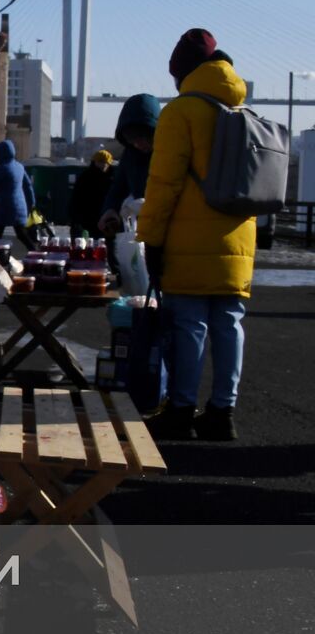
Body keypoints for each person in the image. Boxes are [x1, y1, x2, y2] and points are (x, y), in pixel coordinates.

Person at [138, 29, 254, 441]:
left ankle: (182, 408)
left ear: (183, 72)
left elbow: (164, 183)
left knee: (190, 325)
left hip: (189, 239)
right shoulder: (242, 110)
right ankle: (223, 411)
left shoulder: (181, 112)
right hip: (238, 236)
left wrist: (150, 238)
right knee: (229, 324)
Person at [99, 93, 161, 234]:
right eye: (131, 138)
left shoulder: (169, 153)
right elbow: (118, 188)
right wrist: (110, 210)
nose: (138, 144)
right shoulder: (130, 155)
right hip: (139, 228)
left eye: (143, 137)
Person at [0, 139, 36, 250]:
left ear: (1, 154)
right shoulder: (19, 166)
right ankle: (34, 252)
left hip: (6, 205)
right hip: (21, 206)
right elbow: (28, 186)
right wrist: (32, 203)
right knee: (21, 233)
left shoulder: (2, 168)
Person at [68, 149, 113, 240]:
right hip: (88, 218)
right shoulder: (87, 177)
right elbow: (76, 199)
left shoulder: (110, 178)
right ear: (95, 162)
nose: (103, 165)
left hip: (101, 218)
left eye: (105, 162)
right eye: (101, 162)